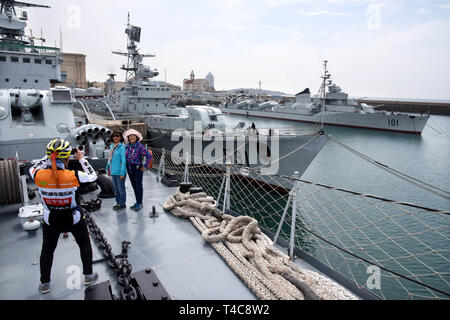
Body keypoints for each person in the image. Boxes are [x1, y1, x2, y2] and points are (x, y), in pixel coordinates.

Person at [29, 139, 99, 294]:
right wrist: (81, 158)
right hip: (73, 219)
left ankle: (44, 284)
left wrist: (49, 156)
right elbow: (92, 176)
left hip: (50, 220)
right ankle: (88, 276)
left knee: (47, 250)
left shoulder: (38, 175)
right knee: (84, 244)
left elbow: (34, 167)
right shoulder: (74, 175)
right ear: (67, 157)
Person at [123, 129, 152, 211]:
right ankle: (137, 201)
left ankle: (140, 203)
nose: (132, 137)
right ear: (128, 138)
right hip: (129, 168)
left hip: (137, 167)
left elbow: (149, 155)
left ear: (136, 137)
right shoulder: (127, 146)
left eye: (133, 136)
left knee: (139, 186)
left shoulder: (139, 146)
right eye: (130, 136)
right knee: (134, 186)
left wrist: (145, 166)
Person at [105, 130, 127, 210]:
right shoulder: (112, 146)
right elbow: (109, 159)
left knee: (121, 189)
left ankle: (122, 203)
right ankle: (118, 202)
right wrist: (107, 168)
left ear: (120, 138)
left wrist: (122, 173)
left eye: (117, 136)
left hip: (120, 172)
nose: (115, 137)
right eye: (114, 136)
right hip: (113, 171)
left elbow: (124, 161)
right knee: (116, 189)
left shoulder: (122, 147)